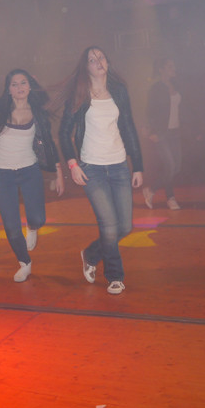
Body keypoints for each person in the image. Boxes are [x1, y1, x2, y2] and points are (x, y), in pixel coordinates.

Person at [59, 46, 144, 295]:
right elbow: (64, 133)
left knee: (124, 227)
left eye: (101, 57)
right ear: (85, 67)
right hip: (91, 169)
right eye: (92, 59)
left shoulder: (119, 90)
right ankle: (115, 276)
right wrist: (73, 164)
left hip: (118, 166)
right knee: (108, 225)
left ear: (107, 62)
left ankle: (91, 253)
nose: (98, 62)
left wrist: (137, 165)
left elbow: (128, 126)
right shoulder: (79, 94)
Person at [0, 69, 64, 282]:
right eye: (14, 84)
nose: (19, 87)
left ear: (30, 86)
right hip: (3, 175)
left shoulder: (38, 113)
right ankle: (25, 262)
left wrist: (58, 172)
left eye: (23, 82)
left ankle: (32, 227)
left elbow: (48, 143)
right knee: (11, 227)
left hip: (29, 171)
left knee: (38, 218)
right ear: (9, 89)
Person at [143, 58, 183, 210]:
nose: (174, 68)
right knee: (170, 166)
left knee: (176, 167)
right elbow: (149, 110)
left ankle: (151, 189)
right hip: (161, 132)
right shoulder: (156, 88)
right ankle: (170, 198)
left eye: (174, 66)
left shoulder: (177, 85)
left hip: (175, 131)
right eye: (170, 66)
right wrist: (152, 130)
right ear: (161, 69)